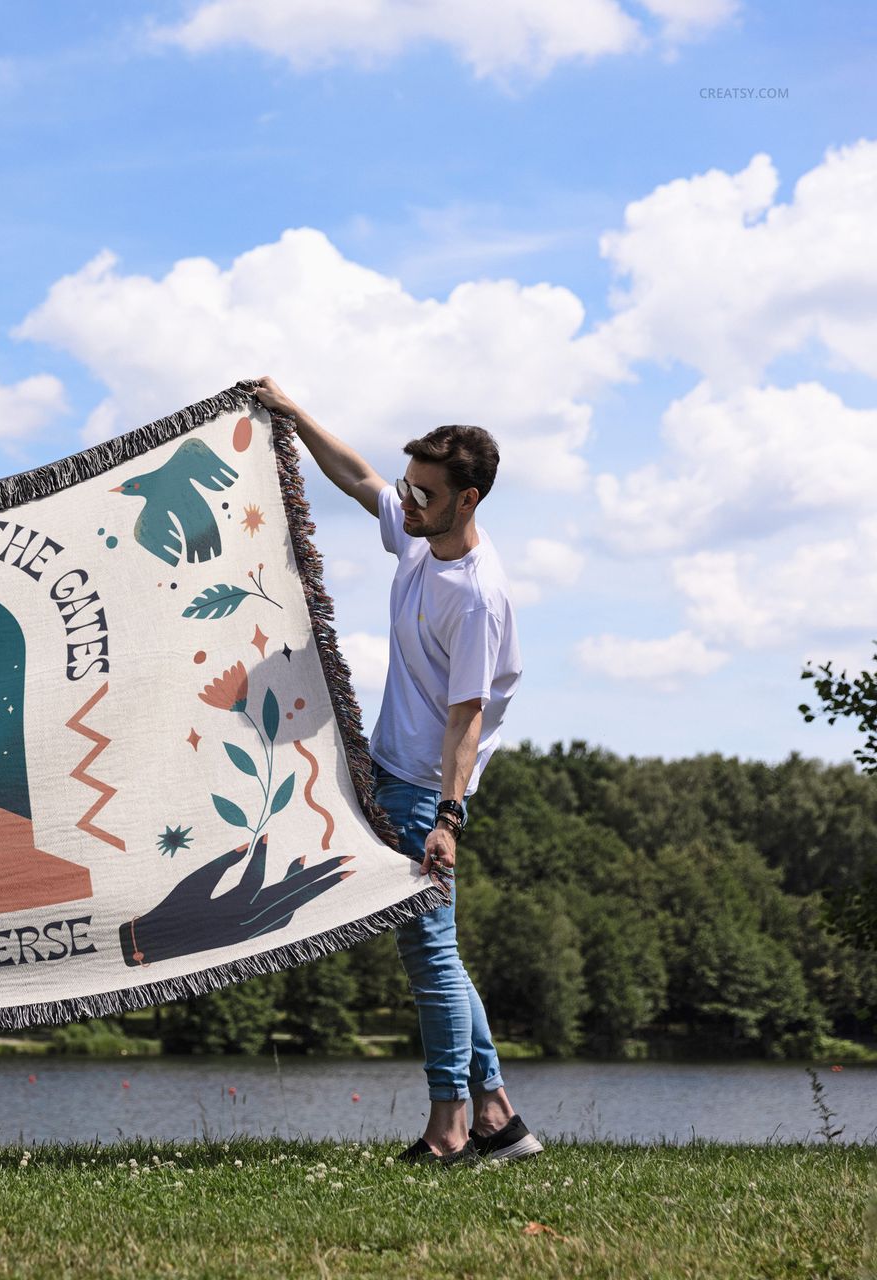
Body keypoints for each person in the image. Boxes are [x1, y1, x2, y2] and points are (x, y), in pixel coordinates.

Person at [254, 376, 541, 1166]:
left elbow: (467, 718)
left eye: (425, 492)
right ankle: (501, 1119)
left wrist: (447, 819)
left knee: (431, 960)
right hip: (391, 776)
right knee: (439, 953)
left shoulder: (477, 595)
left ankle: (450, 1129)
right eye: (410, 486)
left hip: (424, 790)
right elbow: (357, 477)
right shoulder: (420, 535)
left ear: (468, 499)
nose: (406, 501)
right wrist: (291, 411)